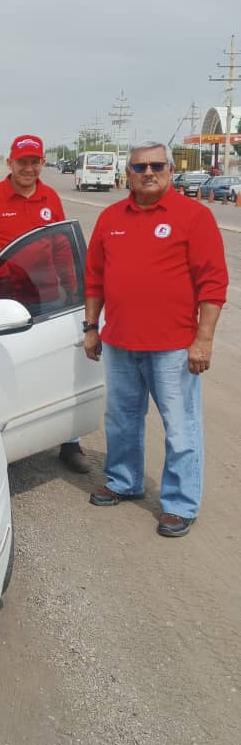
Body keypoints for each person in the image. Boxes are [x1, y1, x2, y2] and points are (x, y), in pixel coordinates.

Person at [83, 141, 228, 537]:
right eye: (140, 167)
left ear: (169, 170)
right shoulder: (111, 217)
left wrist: (204, 341)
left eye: (157, 165)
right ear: (127, 173)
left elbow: (213, 284)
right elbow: (94, 277)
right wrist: (91, 327)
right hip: (119, 343)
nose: (148, 172)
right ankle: (123, 481)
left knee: (180, 428)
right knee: (121, 420)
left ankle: (180, 503)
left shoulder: (193, 216)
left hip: (174, 348)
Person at [0, 134, 88, 473]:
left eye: (34, 161)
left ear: (42, 163)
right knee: (5, 366)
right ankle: (6, 435)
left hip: (48, 297)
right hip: (4, 297)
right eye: (22, 161)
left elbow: (62, 249)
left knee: (60, 366)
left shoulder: (50, 197)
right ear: (10, 163)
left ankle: (70, 441)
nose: (29, 167)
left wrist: (74, 290)